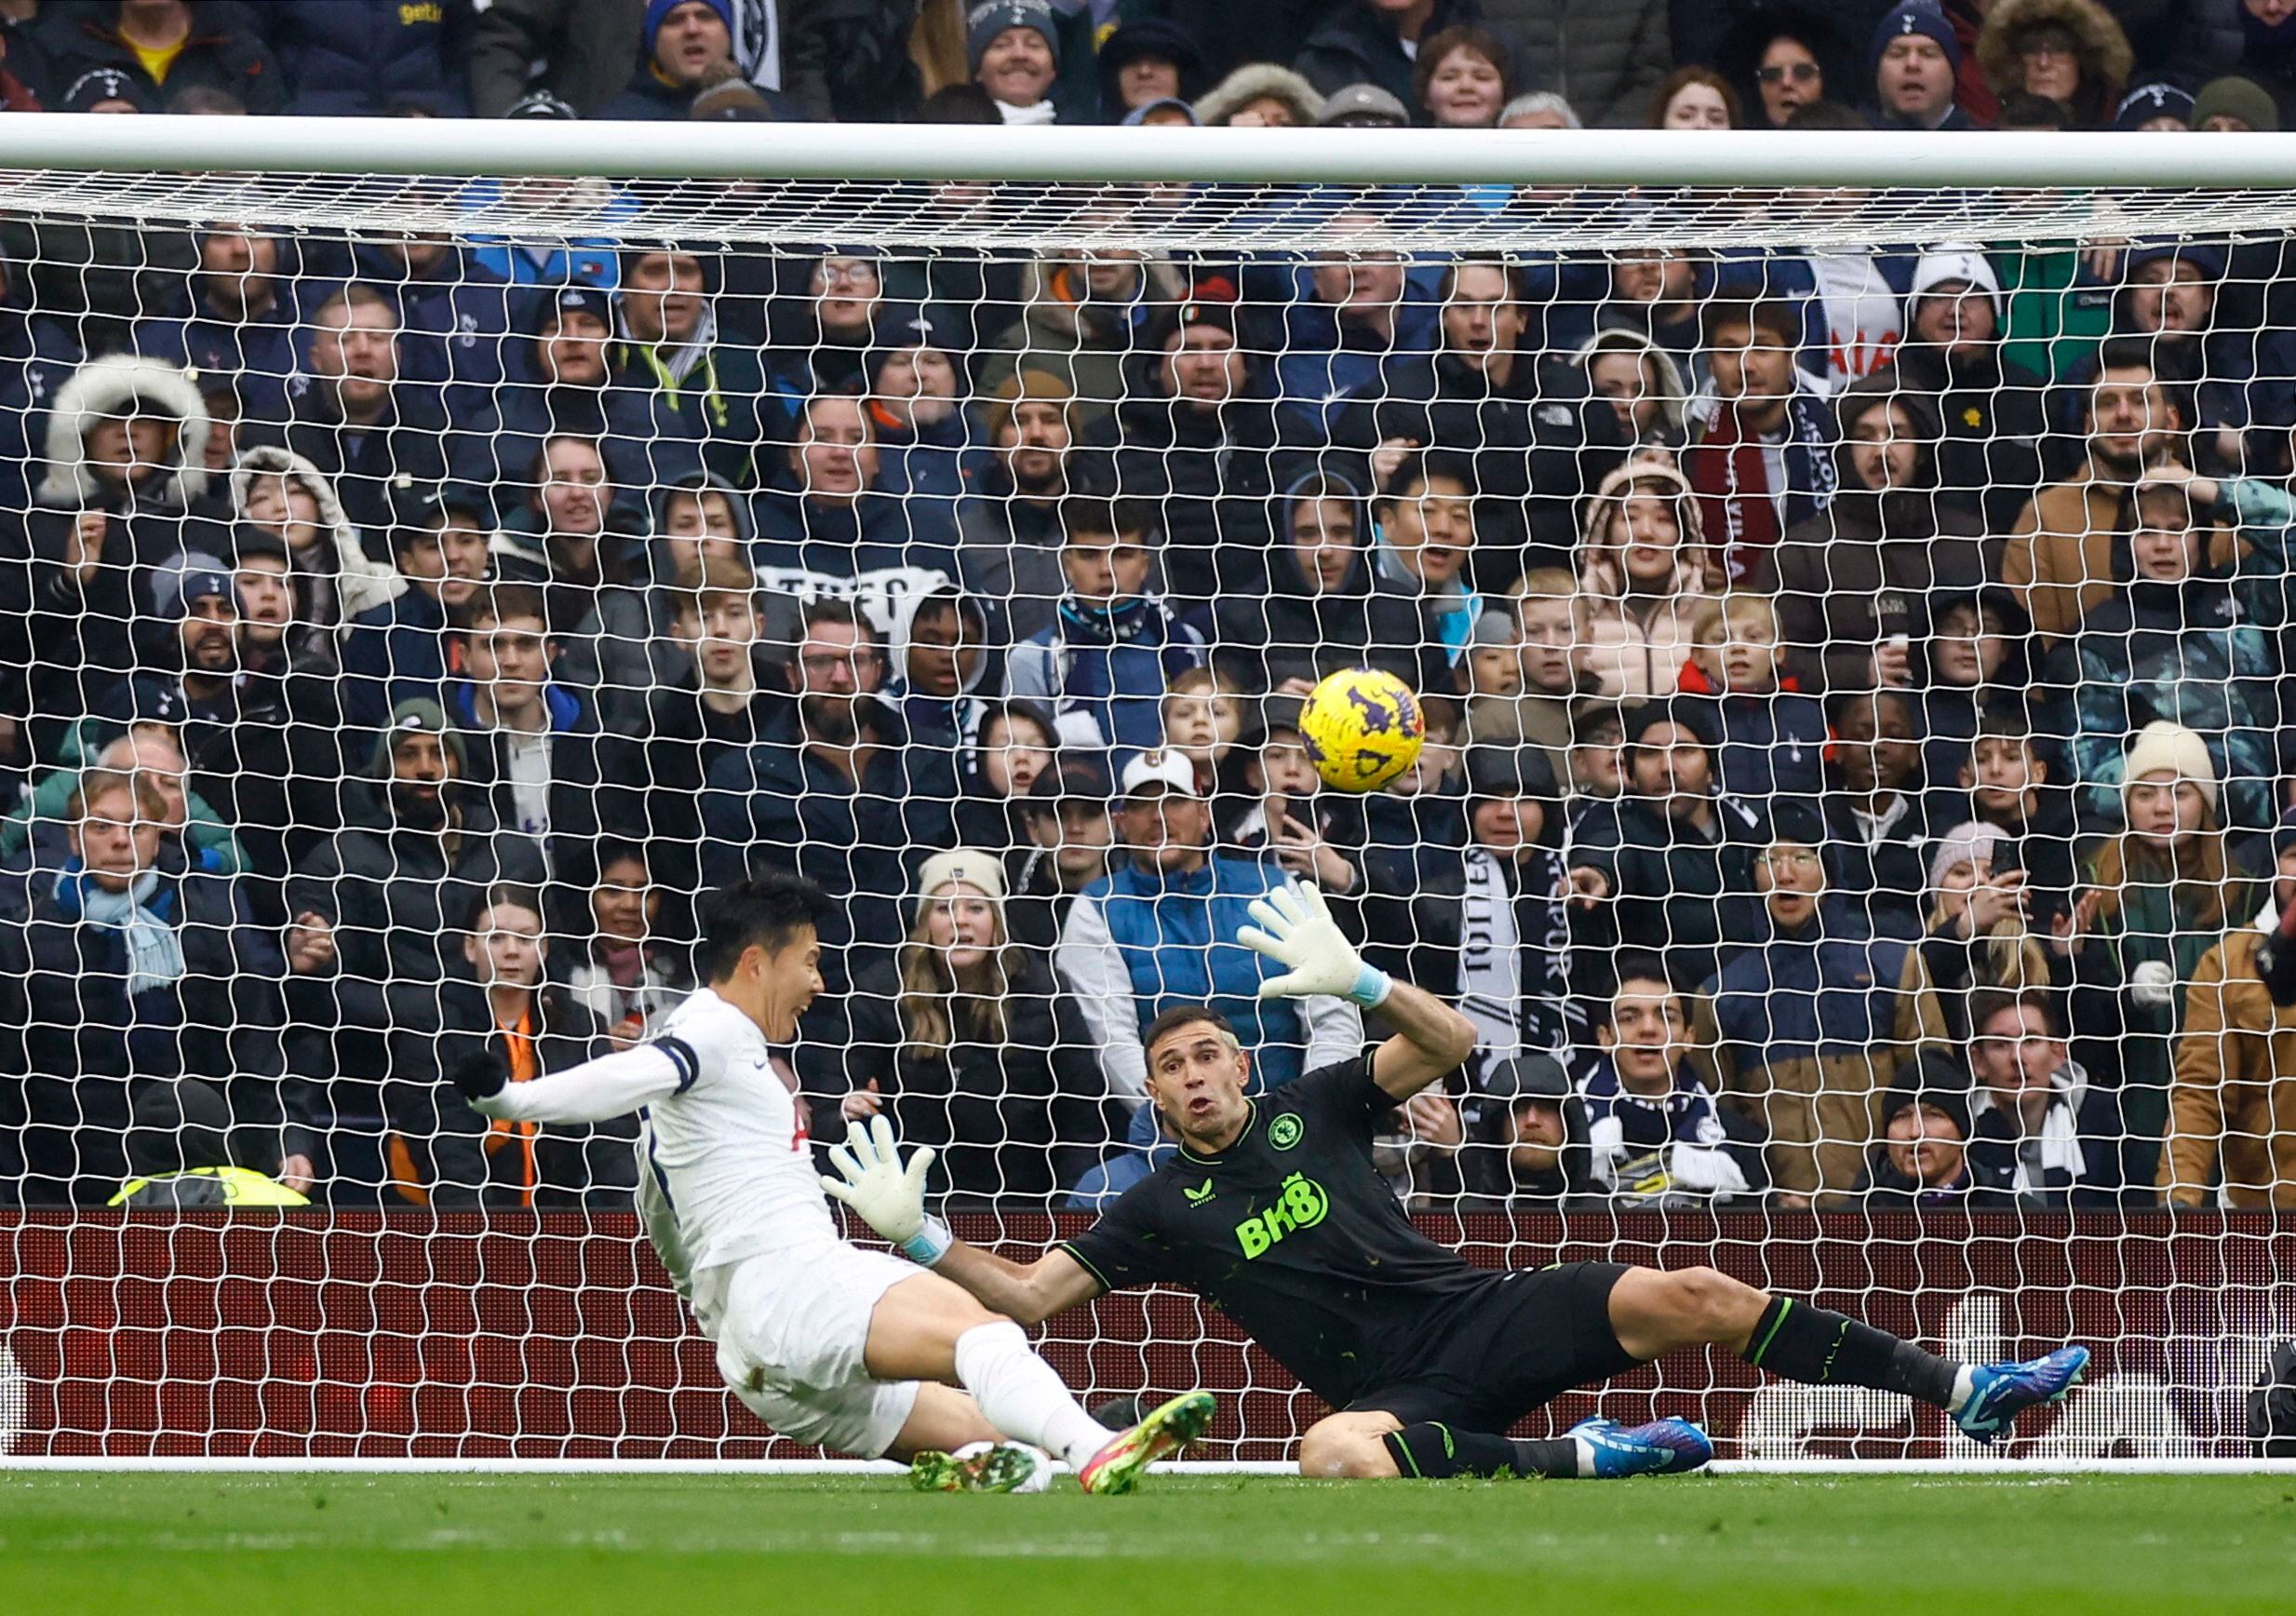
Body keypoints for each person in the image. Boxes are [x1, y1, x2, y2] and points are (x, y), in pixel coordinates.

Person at [828, 876, 2093, 1481]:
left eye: (1211, 1052)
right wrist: (920, 1234)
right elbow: (1032, 1300)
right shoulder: (1158, 1205)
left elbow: (1450, 1046)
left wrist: (1365, 984)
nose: (1198, 1075)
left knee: (1696, 1283)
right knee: (1332, 1457)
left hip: (1480, 1308)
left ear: (1239, 1063)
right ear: (1152, 1097)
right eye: (1173, 1068)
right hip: (1398, 1390)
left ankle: (1958, 1388)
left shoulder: (1308, 1104)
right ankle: (1589, 1459)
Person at [456, 871, 1213, 1488]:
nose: (818, 983)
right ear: (757, 962)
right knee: (986, 1334)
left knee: (1003, 1440)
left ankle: (1014, 1466)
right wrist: (511, 1099)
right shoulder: (709, 1031)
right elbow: (634, 1073)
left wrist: (722, 1314)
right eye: (810, 961)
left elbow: (659, 1211)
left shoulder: (708, 1077)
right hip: (795, 1285)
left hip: (753, 1354)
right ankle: (1094, 1449)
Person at [0, 766, 317, 1206]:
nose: (119, 840)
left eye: (136, 826)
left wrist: (290, 1140)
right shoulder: (24, 940)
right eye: (101, 825)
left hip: (190, 1188)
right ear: (74, 839)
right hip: (58, 1190)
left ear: (157, 839)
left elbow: (257, 1056)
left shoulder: (207, 932)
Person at [1054, 750, 1363, 1106]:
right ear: (1121, 822)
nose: (1159, 817)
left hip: (1291, 1117)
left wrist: (1313, 1111)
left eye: (1174, 801)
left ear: (1204, 815)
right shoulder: (1096, 908)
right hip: (1171, 1137)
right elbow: (1112, 1042)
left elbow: (1331, 1011)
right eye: (1143, 805)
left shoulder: (1272, 888)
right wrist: (1181, 1121)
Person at [1694, 817, 1949, 1202]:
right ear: (1752, 878)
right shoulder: (1721, 994)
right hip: (1777, 1223)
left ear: (1829, 874)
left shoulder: (1895, 965)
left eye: (1801, 857)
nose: (1785, 873)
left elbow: (1935, 1094)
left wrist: (1889, 1193)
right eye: (1768, 860)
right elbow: (1716, 1118)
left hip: (1890, 1211)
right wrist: (1763, 1196)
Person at [841, 850, 1101, 1204]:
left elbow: (1082, 1117)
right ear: (924, 922)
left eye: (975, 909)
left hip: (1026, 1202)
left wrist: (1066, 1213)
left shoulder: (1045, 992)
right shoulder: (879, 994)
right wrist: (847, 1111)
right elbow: (838, 1097)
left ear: (996, 920)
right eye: (944, 908)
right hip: (911, 1205)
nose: (959, 921)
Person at [385, 883, 629, 1209]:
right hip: (446, 1219)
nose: (511, 951)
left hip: (557, 1221)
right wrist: (481, 1235)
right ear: (470, 948)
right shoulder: (433, 1023)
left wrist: (632, 1221)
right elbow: (446, 1141)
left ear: (543, 949)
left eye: (526, 939)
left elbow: (609, 1138)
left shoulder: (581, 1025)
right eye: (496, 938)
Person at [1757, 379, 1993, 695]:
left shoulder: (1971, 541)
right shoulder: (1802, 551)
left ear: (1922, 451)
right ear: (1844, 451)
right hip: (1846, 732)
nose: (1881, 451)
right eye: (1865, 437)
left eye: (1898, 435)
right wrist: (1859, 671)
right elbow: (1771, 659)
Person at [1003, 496, 1205, 760]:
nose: (1106, 570)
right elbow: (1022, 764)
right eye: (1089, 555)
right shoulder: (1031, 659)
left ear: (1145, 566)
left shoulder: (1187, 644)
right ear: (1068, 565)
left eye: (1122, 555)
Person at [2164, 820, 2296, 1206]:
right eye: (2294, 856)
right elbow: (2200, 1092)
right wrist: (2179, 1196)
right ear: (2275, 867)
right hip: (2265, 1215)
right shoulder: (2225, 964)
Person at [1582, 956, 1769, 1207]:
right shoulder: (1570, 1131)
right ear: (1605, 1038)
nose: (1648, 1029)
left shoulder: (1736, 1139)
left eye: (1666, 1017)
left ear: (1689, 1037)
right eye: (1629, 1018)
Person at [1685, 300, 1838, 586]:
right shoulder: (1687, 448)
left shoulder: (1838, 432)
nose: (1746, 366)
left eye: (1762, 348)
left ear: (1792, 358)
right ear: (1710, 364)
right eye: (1729, 351)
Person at [1961, 988, 2132, 1205]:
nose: (2017, 1057)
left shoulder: (2105, 1122)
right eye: (2000, 1044)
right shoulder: (1961, 1133)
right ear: (1978, 1062)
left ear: (2058, 1053)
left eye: (2031, 1041)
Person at [1575, 455, 1711, 700]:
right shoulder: (1575, 615)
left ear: (1685, 534)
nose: (1646, 532)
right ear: (1604, 533)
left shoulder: (1713, 616)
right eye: (1629, 518)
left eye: (1663, 519)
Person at [1865, 2, 1975, 129]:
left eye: (1928, 54)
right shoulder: (1846, 141)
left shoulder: (1987, 145)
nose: (1912, 64)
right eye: (1897, 54)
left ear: (1954, 72)